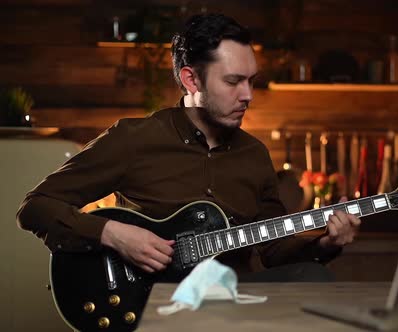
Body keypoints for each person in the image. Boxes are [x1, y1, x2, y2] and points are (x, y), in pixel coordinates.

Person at [16, 13, 361, 282]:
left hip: (235, 299)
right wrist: (113, 234)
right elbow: (37, 207)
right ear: (191, 79)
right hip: (155, 302)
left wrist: (325, 243)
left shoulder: (254, 154)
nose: (248, 95)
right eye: (232, 81)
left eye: (251, 81)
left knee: (314, 276)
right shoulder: (134, 138)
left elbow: (274, 250)